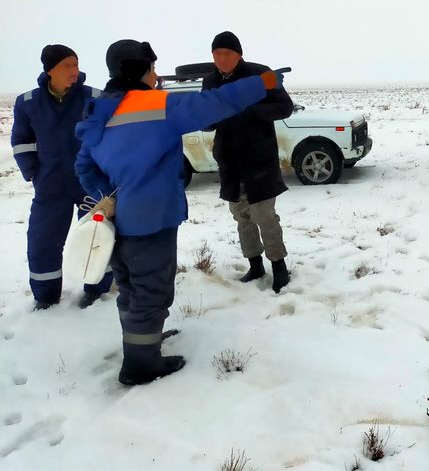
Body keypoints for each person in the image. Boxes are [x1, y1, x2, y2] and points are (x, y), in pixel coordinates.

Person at [75, 39, 284, 386]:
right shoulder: (156, 105)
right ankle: (141, 365)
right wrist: (260, 83)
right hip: (152, 217)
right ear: (137, 70)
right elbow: (214, 102)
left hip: (117, 219)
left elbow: (84, 166)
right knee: (151, 290)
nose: (156, 76)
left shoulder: (99, 111)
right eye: (152, 68)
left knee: (130, 287)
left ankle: (144, 341)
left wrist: (110, 197)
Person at [11, 45, 113, 311]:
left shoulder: (95, 97)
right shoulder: (28, 102)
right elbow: (22, 141)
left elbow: (109, 137)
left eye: (76, 64)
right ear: (50, 69)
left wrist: (106, 170)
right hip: (50, 185)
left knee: (98, 237)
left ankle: (97, 291)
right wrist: (31, 170)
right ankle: (45, 296)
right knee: (43, 241)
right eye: (67, 65)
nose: (74, 71)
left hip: (90, 184)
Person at [202, 31, 294, 292]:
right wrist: (208, 120)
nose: (221, 59)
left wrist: (250, 112)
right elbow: (208, 119)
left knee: (264, 215)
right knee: (241, 215)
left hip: (258, 157)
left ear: (238, 54)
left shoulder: (259, 74)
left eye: (227, 53)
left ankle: (279, 267)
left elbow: (284, 107)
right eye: (217, 53)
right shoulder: (210, 81)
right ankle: (255, 265)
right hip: (229, 159)